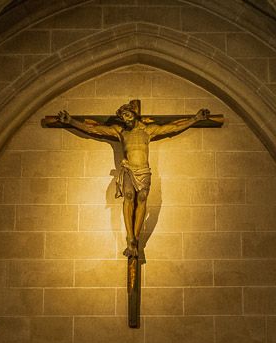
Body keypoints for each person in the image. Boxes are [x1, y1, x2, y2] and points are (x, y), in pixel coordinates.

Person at [57, 102, 210, 259]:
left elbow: (173, 127)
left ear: (135, 115)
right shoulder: (121, 132)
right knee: (128, 196)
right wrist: (71, 122)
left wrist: (195, 119)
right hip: (128, 169)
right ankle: (130, 237)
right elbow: (94, 128)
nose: (126, 119)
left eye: (128, 115)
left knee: (142, 199)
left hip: (144, 171)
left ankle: (136, 238)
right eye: (123, 117)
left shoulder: (147, 131)